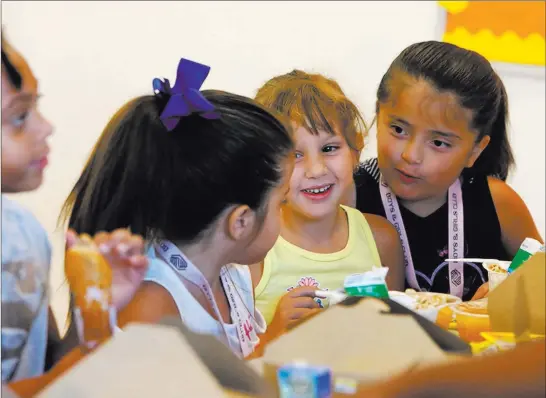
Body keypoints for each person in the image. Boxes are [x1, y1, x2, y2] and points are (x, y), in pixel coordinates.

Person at [58, 58, 294, 359]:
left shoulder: (233, 275)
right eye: (281, 203)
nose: (283, 216)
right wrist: (272, 346)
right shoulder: (152, 308)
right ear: (240, 222)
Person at [1, 36, 149, 396]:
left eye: (36, 108)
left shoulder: (22, 235)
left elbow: (47, 371)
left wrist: (95, 312)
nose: (45, 127)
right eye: (19, 116)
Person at [351, 41, 543, 302]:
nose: (410, 155)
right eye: (398, 129)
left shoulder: (498, 202)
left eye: (439, 143)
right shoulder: (349, 197)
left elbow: (539, 278)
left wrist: (518, 287)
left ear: (476, 150)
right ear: (378, 113)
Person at [252, 70, 404, 335]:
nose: (316, 169)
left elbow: (398, 334)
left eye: (329, 148)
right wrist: (274, 331)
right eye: (295, 155)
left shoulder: (381, 239)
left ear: (355, 151)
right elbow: (229, 357)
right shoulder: (253, 248)